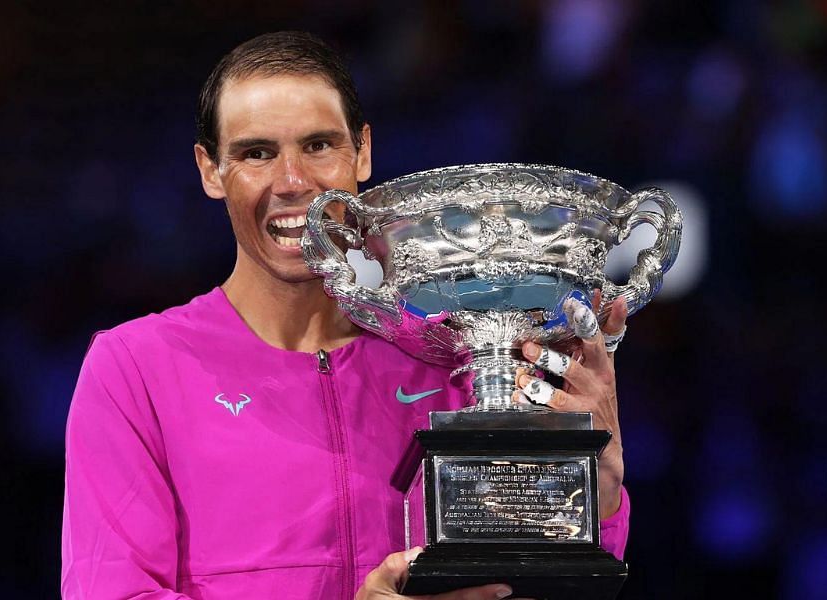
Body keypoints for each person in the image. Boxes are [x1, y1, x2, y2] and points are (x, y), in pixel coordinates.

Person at [61, 31, 630, 600]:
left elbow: (535, 585)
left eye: (318, 146)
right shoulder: (136, 369)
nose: (292, 183)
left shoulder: (456, 361)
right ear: (210, 170)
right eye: (256, 152)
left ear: (362, 152)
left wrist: (594, 495)